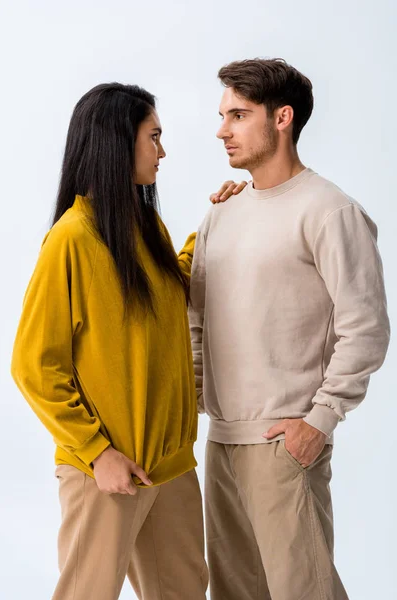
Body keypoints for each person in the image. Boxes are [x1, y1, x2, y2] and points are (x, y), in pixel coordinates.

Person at [11, 82, 244, 600]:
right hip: (108, 472)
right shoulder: (71, 239)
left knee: (184, 592)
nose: (162, 152)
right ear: (119, 141)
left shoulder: (144, 226)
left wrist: (213, 225)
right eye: (153, 137)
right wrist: (97, 454)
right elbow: (34, 366)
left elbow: (173, 289)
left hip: (172, 468)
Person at [189, 58, 390, 600]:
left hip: (285, 441)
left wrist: (319, 421)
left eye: (237, 115)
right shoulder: (220, 215)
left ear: (282, 118)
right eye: (222, 115)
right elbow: (198, 321)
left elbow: (366, 328)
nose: (221, 129)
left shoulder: (330, 211)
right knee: (233, 592)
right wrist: (198, 401)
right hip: (222, 439)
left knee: (305, 591)